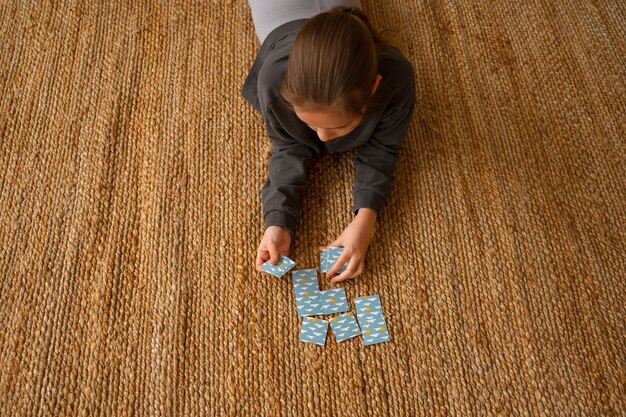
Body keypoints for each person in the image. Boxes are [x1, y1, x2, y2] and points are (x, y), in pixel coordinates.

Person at [243, 1, 415, 283]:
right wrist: (277, 222)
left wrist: (366, 220)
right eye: (310, 125)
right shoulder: (274, 81)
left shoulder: (397, 79)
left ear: (373, 87)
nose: (321, 140)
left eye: (339, 127)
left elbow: (383, 149)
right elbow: (289, 147)